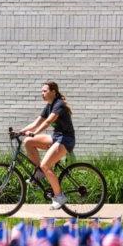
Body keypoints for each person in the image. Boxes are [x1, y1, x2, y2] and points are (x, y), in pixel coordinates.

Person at [19, 81, 75, 210]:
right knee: (28, 141)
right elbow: (36, 123)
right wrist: (20, 132)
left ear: (53, 92)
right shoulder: (49, 106)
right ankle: (39, 172)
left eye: (44, 91)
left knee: (46, 165)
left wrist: (34, 133)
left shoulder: (59, 104)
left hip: (66, 139)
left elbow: (48, 121)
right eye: (41, 91)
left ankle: (59, 196)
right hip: (56, 137)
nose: (42, 93)